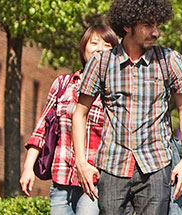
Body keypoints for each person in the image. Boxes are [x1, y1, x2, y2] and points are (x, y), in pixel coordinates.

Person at [74, 0, 182, 215]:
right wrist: (81, 162)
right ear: (128, 25)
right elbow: (80, 113)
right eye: (148, 25)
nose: (156, 32)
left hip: (156, 164)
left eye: (157, 25)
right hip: (112, 165)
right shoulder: (101, 62)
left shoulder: (168, 59)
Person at [20, 25, 119, 215]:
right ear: (84, 48)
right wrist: (28, 168)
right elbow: (42, 129)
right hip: (61, 178)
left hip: (94, 182)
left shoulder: (114, 91)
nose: (99, 49)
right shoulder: (63, 84)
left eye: (107, 45)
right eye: (94, 43)